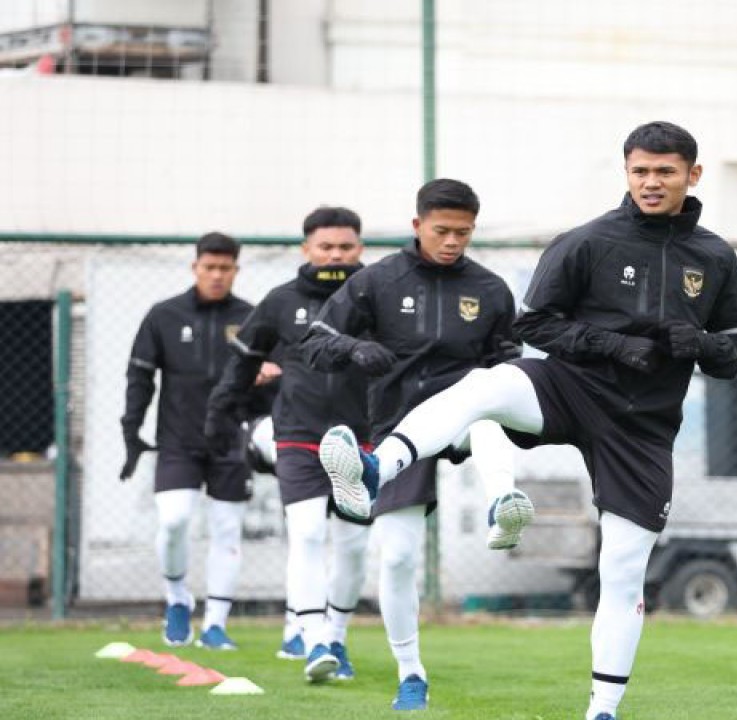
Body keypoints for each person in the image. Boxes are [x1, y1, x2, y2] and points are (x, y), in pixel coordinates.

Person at [316, 121, 737, 719]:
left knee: (623, 570)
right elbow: (535, 325)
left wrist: (700, 344)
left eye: (665, 172)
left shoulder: (715, 256)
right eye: (640, 171)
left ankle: (603, 710)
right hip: (571, 387)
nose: (652, 183)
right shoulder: (587, 241)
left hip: (644, 426)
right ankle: (375, 468)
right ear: (626, 172)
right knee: (485, 385)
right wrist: (611, 344)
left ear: (692, 175)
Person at [299, 178, 532, 711]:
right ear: (417, 226)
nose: (452, 241)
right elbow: (315, 341)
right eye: (442, 231)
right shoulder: (376, 282)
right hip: (399, 428)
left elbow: (509, 362)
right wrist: (356, 350)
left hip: (467, 417)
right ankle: (412, 674)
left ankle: (504, 502)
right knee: (399, 558)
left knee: (489, 413)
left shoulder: (491, 289)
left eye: (464, 233)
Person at [206, 206, 372, 683]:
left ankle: (336, 636)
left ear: (359, 248)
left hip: (363, 437)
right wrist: (222, 415)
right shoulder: (280, 302)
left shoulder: (377, 296)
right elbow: (243, 363)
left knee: (354, 546)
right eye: (326, 247)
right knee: (307, 535)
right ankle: (314, 638)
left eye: (345, 246)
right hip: (297, 436)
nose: (335, 254)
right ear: (307, 250)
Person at [120, 232, 277, 650]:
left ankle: (216, 625)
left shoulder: (251, 317)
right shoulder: (164, 315)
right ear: (195, 268)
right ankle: (176, 599)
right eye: (209, 267)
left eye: (225, 268)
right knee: (173, 521)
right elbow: (140, 376)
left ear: (235, 271)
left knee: (227, 531)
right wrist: (130, 430)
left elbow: (270, 384)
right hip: (177, 441)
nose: (217, 275)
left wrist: (265, 391)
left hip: (230, 442)